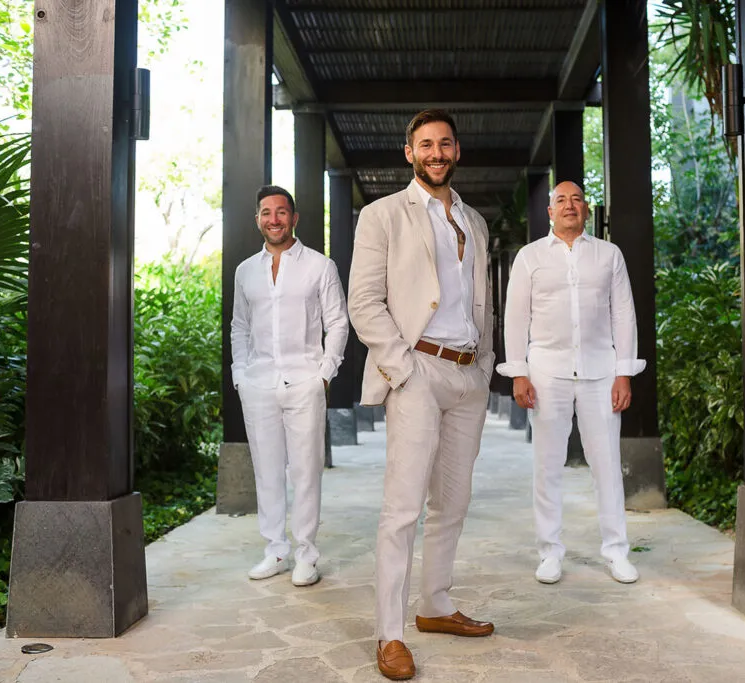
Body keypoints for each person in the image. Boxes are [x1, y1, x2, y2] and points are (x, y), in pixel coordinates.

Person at [348, 109, 496, 681]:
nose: (437, 153)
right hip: (417, 370)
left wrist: (484, 365)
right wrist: (402, 369)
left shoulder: (474, 220)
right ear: (409, 153)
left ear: (457, 151)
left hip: (467, 374)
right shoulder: (383, 214)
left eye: (445, 143)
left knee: (452, 502)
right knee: (403, 507)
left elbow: (480, 301)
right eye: (426, 144)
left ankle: (434, 604)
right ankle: (390, 633)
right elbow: (364, 301)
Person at [496, 180, 646, 586]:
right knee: (547, 466)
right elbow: (516, 317)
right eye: (561, 200)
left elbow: (624, 315)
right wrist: (519, 372)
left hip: (601, 372)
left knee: (607, 465)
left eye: (576, 199)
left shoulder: (609, 255)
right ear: (550, 212)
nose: (569, 205)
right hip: (547, 373)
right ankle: (549, 552)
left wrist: (624, 373)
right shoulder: (529, 257)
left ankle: (616, 551)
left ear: (586, 210)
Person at [230, 185, 349, 587]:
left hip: (304, 381)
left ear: (294, 218)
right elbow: (239, 326)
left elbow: (338, 322)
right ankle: (275, 550)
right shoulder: (245, 271)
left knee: (306, 471)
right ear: (258, 220)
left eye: (281, 212)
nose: (274, 219)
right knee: (266, 471)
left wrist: (324, 374)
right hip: (258, 383)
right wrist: (240, 374)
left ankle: (306, 554)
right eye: (266, 212)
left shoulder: (320, 266)